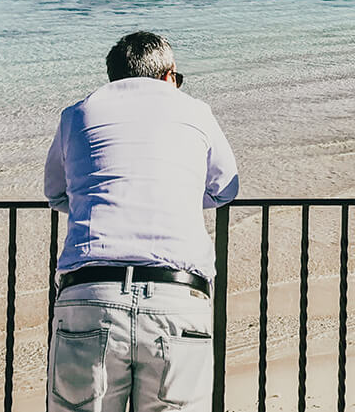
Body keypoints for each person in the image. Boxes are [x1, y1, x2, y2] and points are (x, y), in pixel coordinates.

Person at [44, 31, 239, 412]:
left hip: (90, 293)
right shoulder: (196, 112)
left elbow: (56, 193)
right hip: (178, 296)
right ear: (169, 76)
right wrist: (179, 194)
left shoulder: (77, 114)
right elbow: (224, 188)